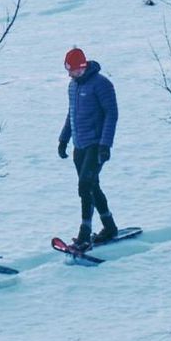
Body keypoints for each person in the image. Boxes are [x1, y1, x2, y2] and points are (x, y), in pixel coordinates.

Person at [58, 47, 119, 250]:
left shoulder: (101, 85)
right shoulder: (72, 86)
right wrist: (63, 139)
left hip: (96, 144)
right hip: (80, 145)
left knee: (85, 186)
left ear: (82, 67)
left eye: (72, 70)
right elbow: (71, 114)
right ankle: (109, 226)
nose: (69, 74)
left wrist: (105, 145)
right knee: (92, 186)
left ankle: (84, 233)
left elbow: (112, 114)